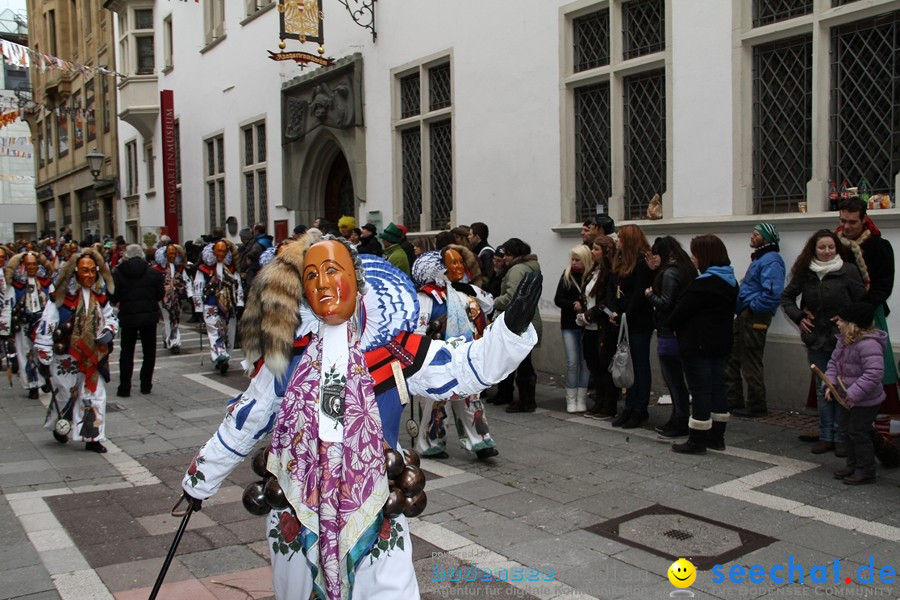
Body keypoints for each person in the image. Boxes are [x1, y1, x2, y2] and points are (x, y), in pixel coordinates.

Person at [180, 237, 540, 599]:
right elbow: (246, 419)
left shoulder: (394, 352)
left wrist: (510, 331)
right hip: (298, 503)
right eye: (311, 275)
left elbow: (465, 367)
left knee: (387, 589)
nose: (322, 283)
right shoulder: (288, 359)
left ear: (358, 278)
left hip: (375, 502)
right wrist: (200, 481)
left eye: (332, 270)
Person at [781, 230, 865, 456]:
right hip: (816, 338)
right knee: (822, 388)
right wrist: (799, 317)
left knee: (841, 386)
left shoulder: (848, 270)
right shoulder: (805, 272)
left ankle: (841, 437)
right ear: (814, 249)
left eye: (831, 247)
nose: (827, 252)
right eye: (822, 248)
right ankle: (826, 435)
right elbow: (787, 297)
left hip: (843, 340)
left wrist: (847, 318)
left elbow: (862, 301)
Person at [411, 248, 498, 460]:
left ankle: (480, 441)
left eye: (461, 262)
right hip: (438, 358)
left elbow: (489, 305)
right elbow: (419, 329)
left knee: (472, 399)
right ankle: (430, 443)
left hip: (468, 355)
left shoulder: (467, 290)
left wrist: (470, 289)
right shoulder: (427, 295)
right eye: (453, 263)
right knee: (436, 402)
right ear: (439, 269)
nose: (459, 267)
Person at [36, 248, 119, 453]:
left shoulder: (100, 297)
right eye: (84, 270)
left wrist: (109, 330)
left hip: (93, 356)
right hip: (66, 355)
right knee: (64, 393)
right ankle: (60, 424)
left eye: (93, 271)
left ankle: (92, 437)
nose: (89, 275)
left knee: (94, 395)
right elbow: (47, 324)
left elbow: (111, 317)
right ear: (75, 272)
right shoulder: (61, 298)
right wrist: (44, 354)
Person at [668, 235, 739, 454]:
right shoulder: (730, 281)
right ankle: (716, 437)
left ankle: (697, 440)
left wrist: (669, 324)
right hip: (720, 343)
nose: (693, 258)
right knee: (717, 387)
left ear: (704, 256)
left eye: (695, 254)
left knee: (699, 390)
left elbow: (680, 313)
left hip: (698, 344)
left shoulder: (703, 284)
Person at [836, 196, 899, 415]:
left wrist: (861, 309)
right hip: (840, 314)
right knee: (840, 363)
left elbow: (883, 286)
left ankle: (879, 420)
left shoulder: (879, 246)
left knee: (875, 365)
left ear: (864, 219)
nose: (847, 226)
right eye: (843, 220)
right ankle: (836, 423)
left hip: (869, 313)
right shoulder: (833, 244)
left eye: (852, 222)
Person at [726, 223, 785, 418]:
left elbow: (772, 292)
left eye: (757, 234)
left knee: (751, 360)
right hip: (745, 314)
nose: (752, 236)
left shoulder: (771, 260)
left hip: (754, 316)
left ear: (766, 238)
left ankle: (757, 405)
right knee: (733, 357)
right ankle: (733, 400)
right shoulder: (761, 257)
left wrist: (751, 308)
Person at [827, 302, 886, 486]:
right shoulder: (843, 341)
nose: (838, 323)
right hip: (846, 398)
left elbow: (874, 373)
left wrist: (852, 394)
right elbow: (832, 364)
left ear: (853, 324)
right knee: (845, 431)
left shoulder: (869, 345)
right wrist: (830, 384)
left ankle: (866, 470)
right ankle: (852, 465)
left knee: (858, 433)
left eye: (842, 320)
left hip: (865, 400)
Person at [645, 236, 696, 438]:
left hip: (669, 331)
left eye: (656, 254)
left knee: (674, 380)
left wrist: (649, 295)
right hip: (681, 330)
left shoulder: (670, 272)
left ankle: (679, 420)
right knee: (681, 380)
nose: (654, 258)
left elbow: (666, 302)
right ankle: (682, 419)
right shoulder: (684, 268)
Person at [607, 224, 654, 429]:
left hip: (638, 321)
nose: (616, 240)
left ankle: (639, 408)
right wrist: (613, 311)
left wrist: (625, 313)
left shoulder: (642, 264)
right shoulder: (620, 262)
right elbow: (614, 289)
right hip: (623, 320)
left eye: (619, 238)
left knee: (639, 366)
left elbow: (638, 295)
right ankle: (629, 407)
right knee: (626, 364)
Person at [494, 238, 542, 413]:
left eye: (507, 254)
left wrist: (493, 301)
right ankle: (526, 399)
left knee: (521, 363)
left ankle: (526, 401)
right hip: (529, 319)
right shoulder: (531, 266)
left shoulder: (516, 270)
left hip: (520, 322)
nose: (504, 258)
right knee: (524, 362)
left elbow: (512, 297)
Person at [112, 244, 164, 397]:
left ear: (126, 256)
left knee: (126, 352)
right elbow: (160, 294)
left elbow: (114, 296)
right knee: (149, 352)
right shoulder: (152, 273)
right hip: (149, 317)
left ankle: (124, 387)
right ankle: (146, 384)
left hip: (128, 316)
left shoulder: (119, 272)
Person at [2, 251, 55, 398]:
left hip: (42, 324)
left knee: (43, 352)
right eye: (28, 264)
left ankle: (44, 379)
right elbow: (8, 304)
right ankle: (32, 384)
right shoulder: (17, 285)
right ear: (23, 265)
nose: (31, 267)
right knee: (26, 354)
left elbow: (54, 302)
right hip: (23, 325)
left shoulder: (46, 283)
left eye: (34, 264)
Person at [580, 235, 619, 419]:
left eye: (596, 249)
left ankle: (607, 404)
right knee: (593, 365)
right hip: (588, 327)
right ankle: (598, 401)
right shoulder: (594, 270)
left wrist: (590, 314)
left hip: (602, 327)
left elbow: (606, 302)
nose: (592, 252)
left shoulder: (610, 273)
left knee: (604, 366)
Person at [193, 239, 244, 374]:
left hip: (230, 306)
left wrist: (239, 303)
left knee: (230, 333)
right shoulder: (203, 270)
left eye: (223, 251)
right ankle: (220, 355)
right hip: (211, 304)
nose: (220, 254)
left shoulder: (233, 269)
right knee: (215, 331)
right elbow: (198, 287)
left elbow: (238, 286)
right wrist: (198, 307)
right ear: (213, 252)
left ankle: (226, 357)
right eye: (218, 251)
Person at [554, 244, 593, 413]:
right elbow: (558, 299)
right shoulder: (567, 275)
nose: (574, 263)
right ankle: (570, 397)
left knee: (584, 362)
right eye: (573, 259)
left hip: (586, 324)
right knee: (572, 361)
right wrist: (572, 305)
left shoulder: (591, 276)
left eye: (578, 260)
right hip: (569, 324)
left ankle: (581, 397)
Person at [153, 243, 194, 354]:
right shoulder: (157, 269)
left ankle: (169, 337)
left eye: (174, 253)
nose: (172, 256)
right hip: (163, 297)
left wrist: (190, 296)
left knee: (175, 318)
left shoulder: (179, 268)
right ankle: (174, 343)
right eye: (170, 253)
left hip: (177, 297)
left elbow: (186, 280)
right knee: (168, 318)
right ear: (165, 254)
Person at [240, 222, 274, 290]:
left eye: (253, 229)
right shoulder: (266, 240)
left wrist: (249, 257)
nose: (252, 231)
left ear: (257, 231)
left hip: (256, 271)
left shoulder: (259, 242)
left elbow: (254, 253)